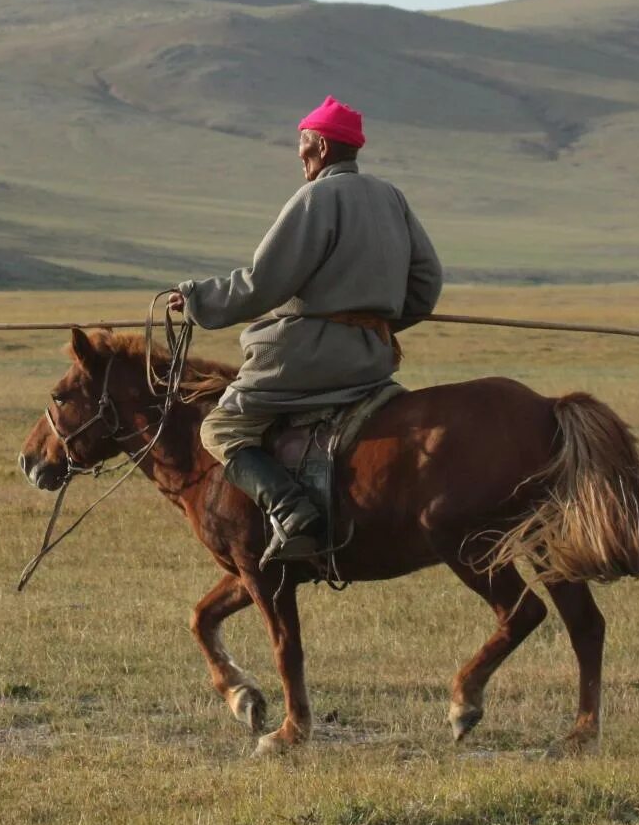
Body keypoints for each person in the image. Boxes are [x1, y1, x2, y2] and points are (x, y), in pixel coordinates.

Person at [166, 96, 442, 566]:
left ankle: (290, 511)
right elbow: (426, 282)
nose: (298, 153)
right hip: (370, 357)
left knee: (221, 427)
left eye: (302, 142)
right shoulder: (390, 197)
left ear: (320, 144)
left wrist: (197, 299)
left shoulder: (315, 199)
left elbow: (262, 284)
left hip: (307, 359)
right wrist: (378, 322)